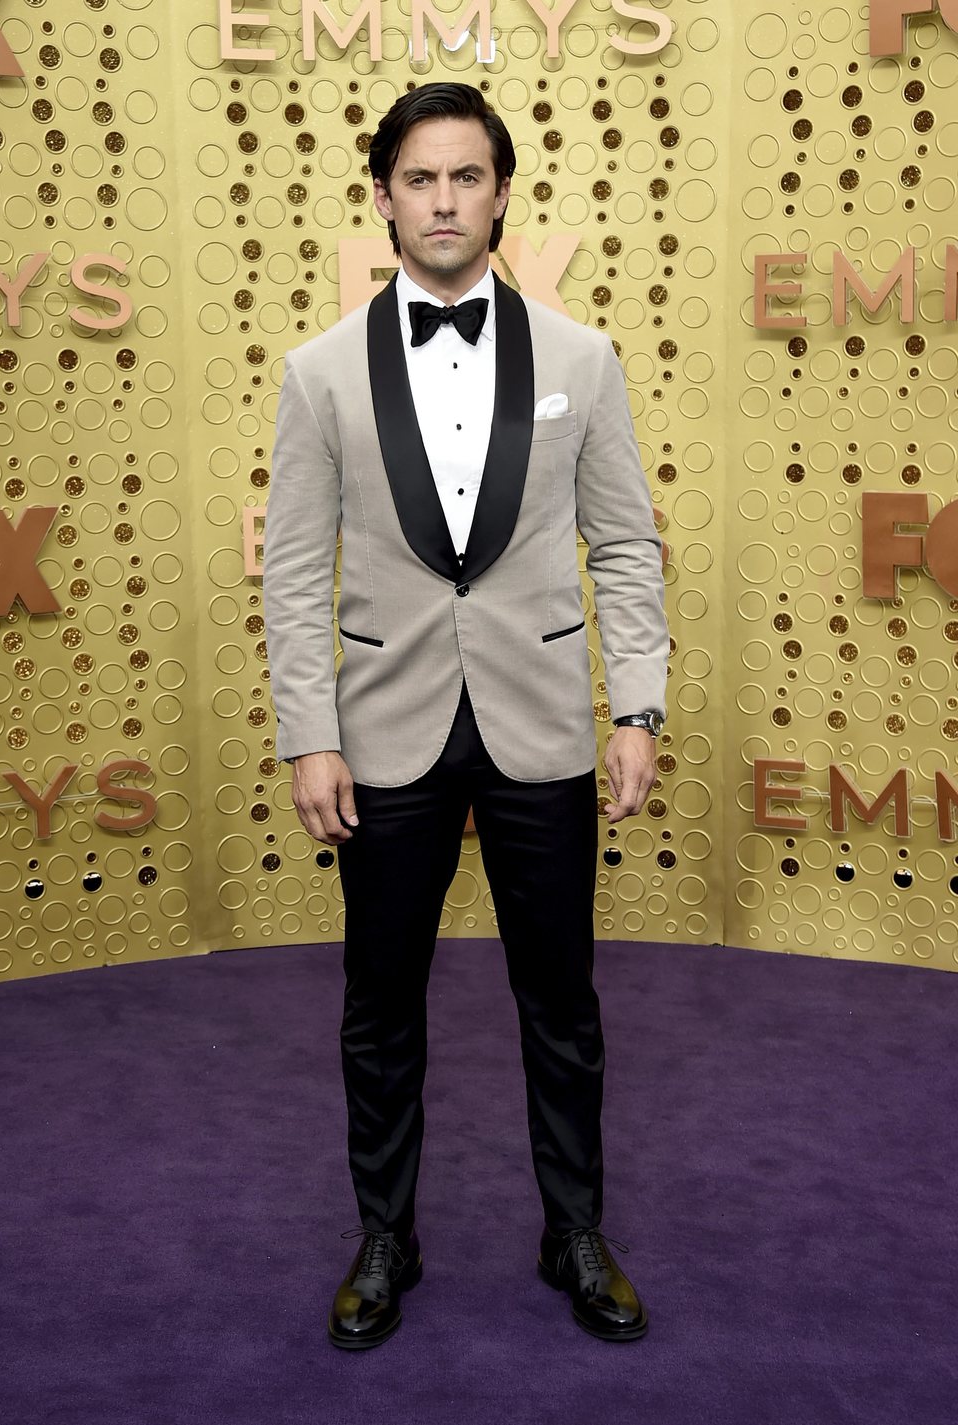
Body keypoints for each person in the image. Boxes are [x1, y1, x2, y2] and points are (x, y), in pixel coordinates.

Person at [263, 81, 669, 1350]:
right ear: (382, 196)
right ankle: (385, 1237)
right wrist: (308, 730)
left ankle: (575, 1230)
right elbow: (291, 568)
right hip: (384, 734)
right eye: (420, 179)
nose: (443, 201)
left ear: (502, 194)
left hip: (543, 722)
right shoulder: (319, 373)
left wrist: (638, 705)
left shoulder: (583, 359)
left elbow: (625, 546)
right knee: (380, 1003)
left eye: (466, 178)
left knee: (563, 999)